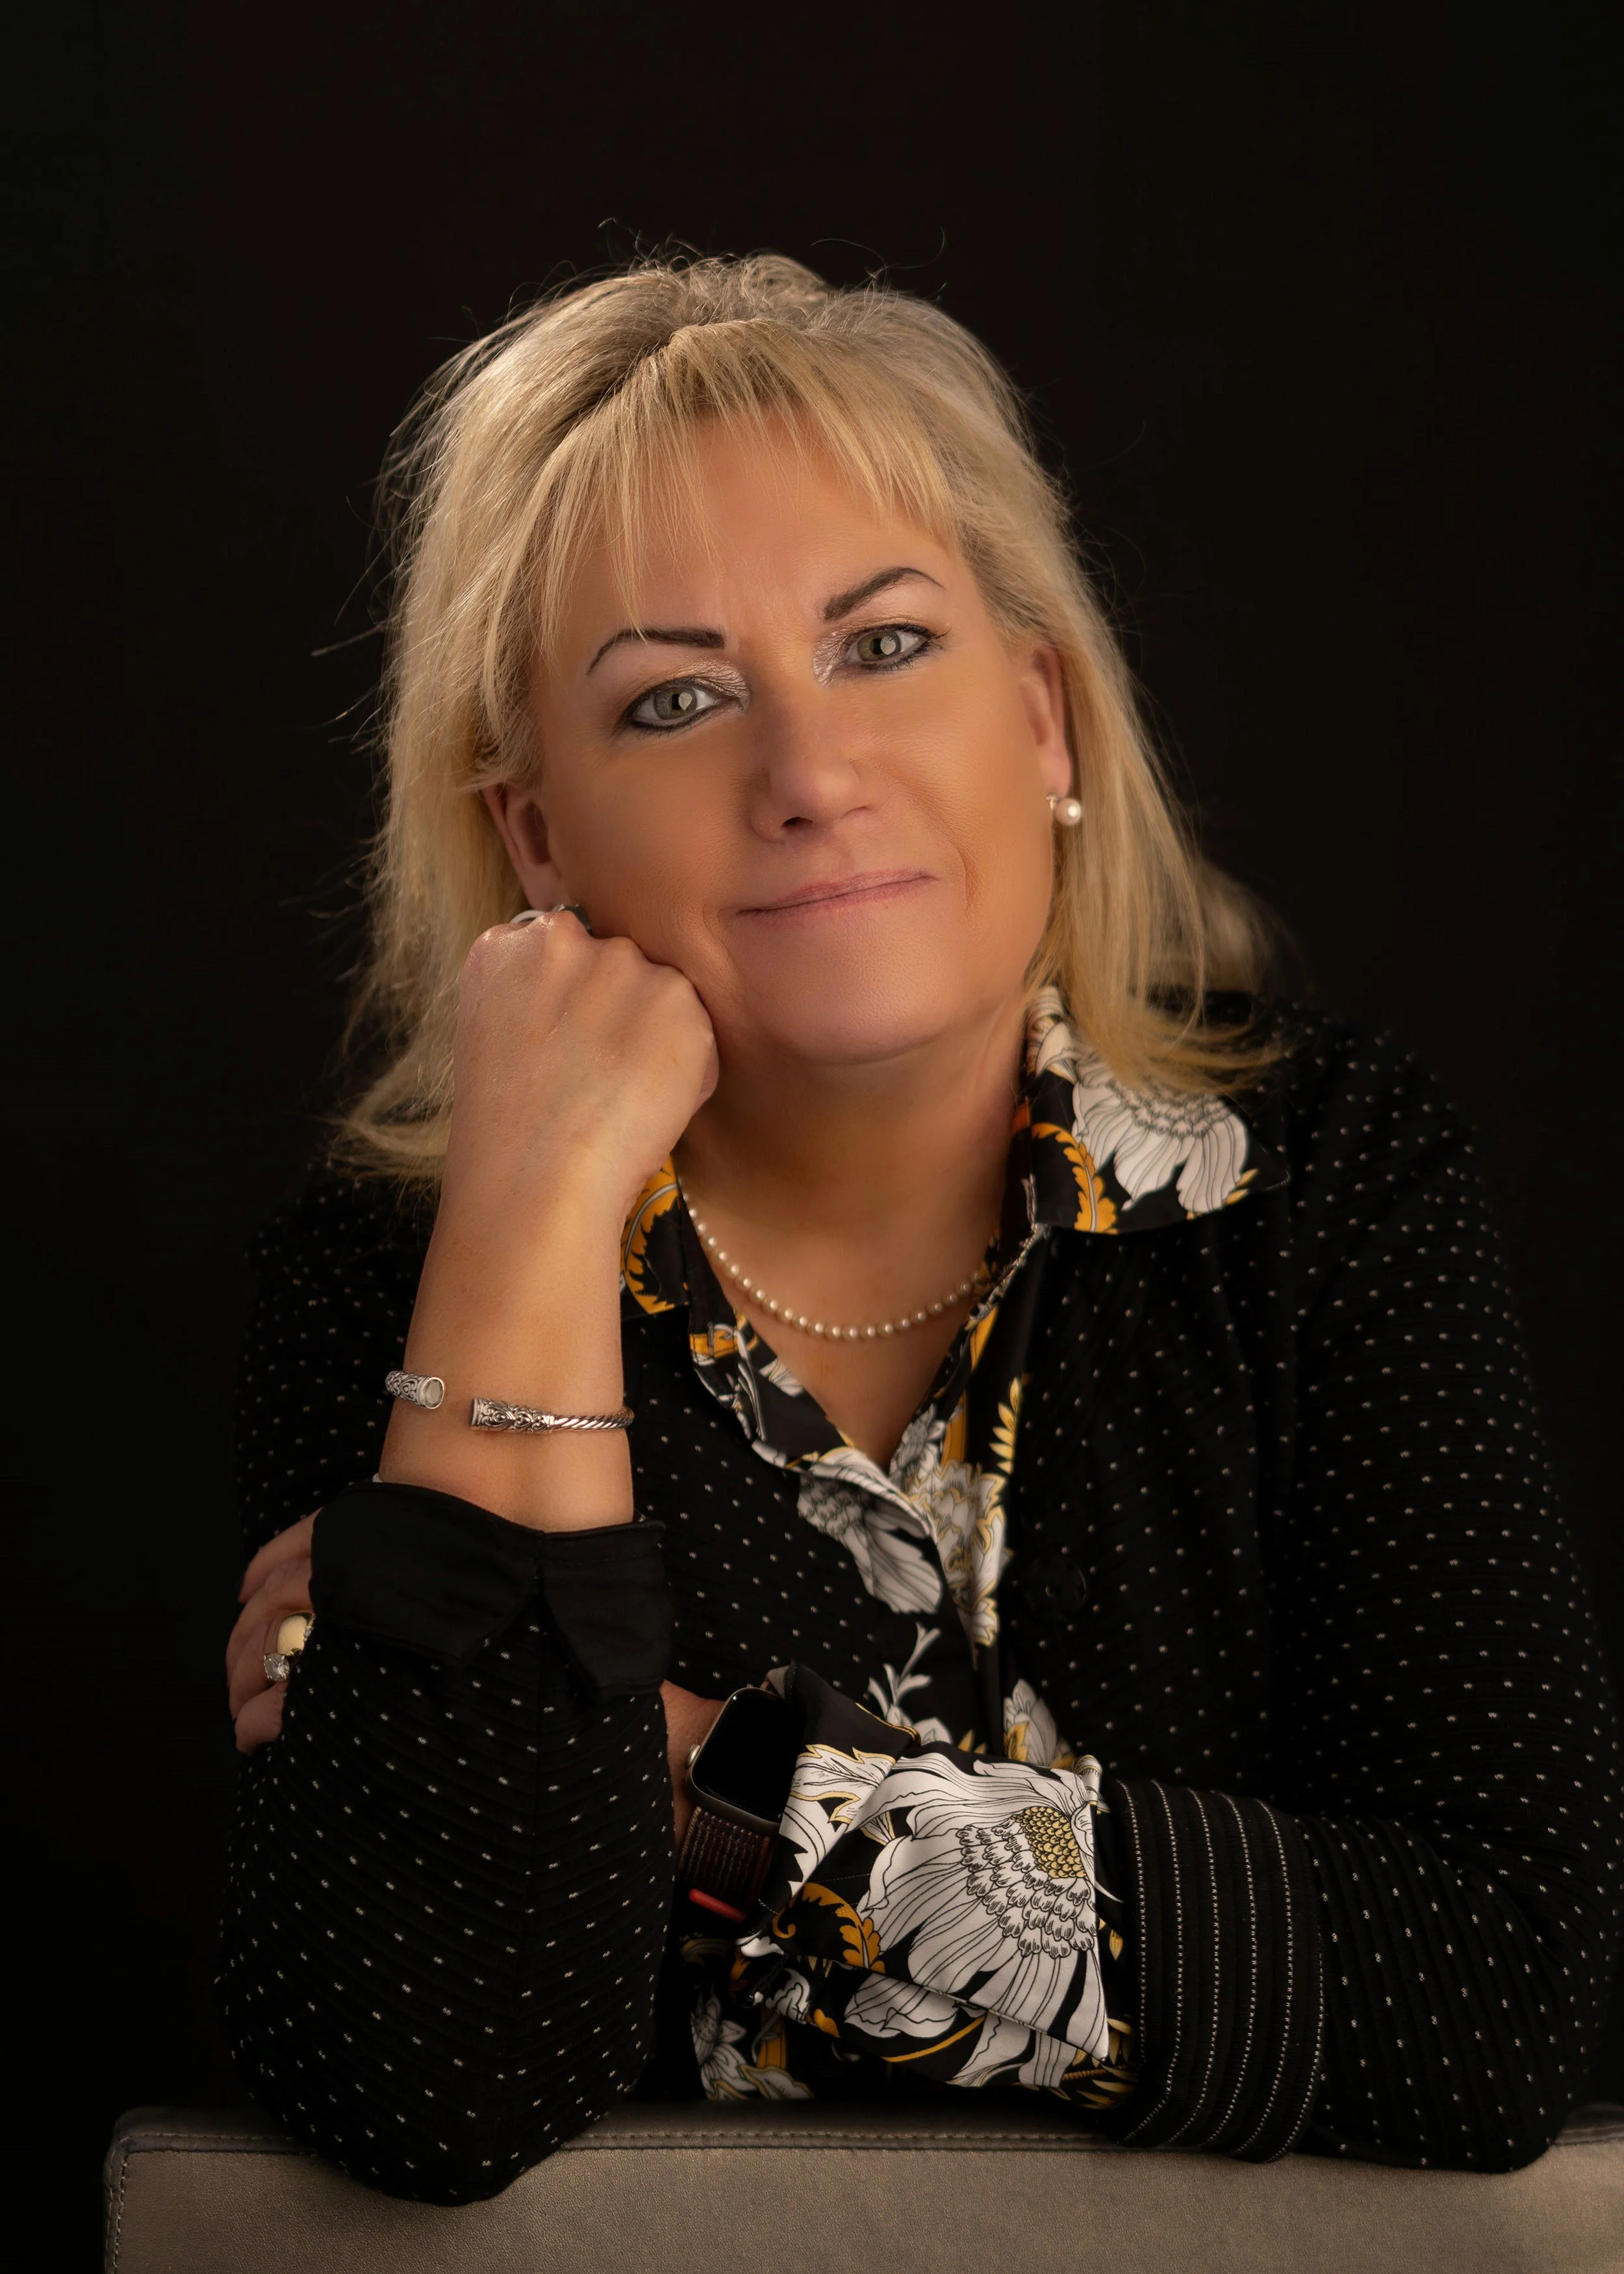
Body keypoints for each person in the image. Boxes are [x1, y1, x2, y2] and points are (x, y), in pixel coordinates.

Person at [220, 254, 1620, 2203]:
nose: (806, 775)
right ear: (535, 839)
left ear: (1041, 720)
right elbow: (431, 2071)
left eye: (882, 646)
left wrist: (691, 1781)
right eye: (676, 697)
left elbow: (1493, 1987)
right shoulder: (398, 1277)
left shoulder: (1326, 1186)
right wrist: (527, 1218)